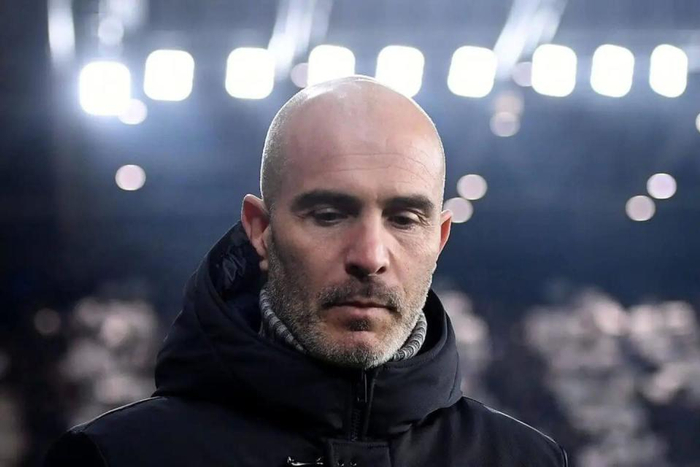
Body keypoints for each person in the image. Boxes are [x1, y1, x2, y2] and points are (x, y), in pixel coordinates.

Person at [45, 76, 567, 466]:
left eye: (405, 219)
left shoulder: (526, 460)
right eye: (329, 214)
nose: (370, 255)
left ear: (440, 239)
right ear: (260, 230)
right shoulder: (115, 458)